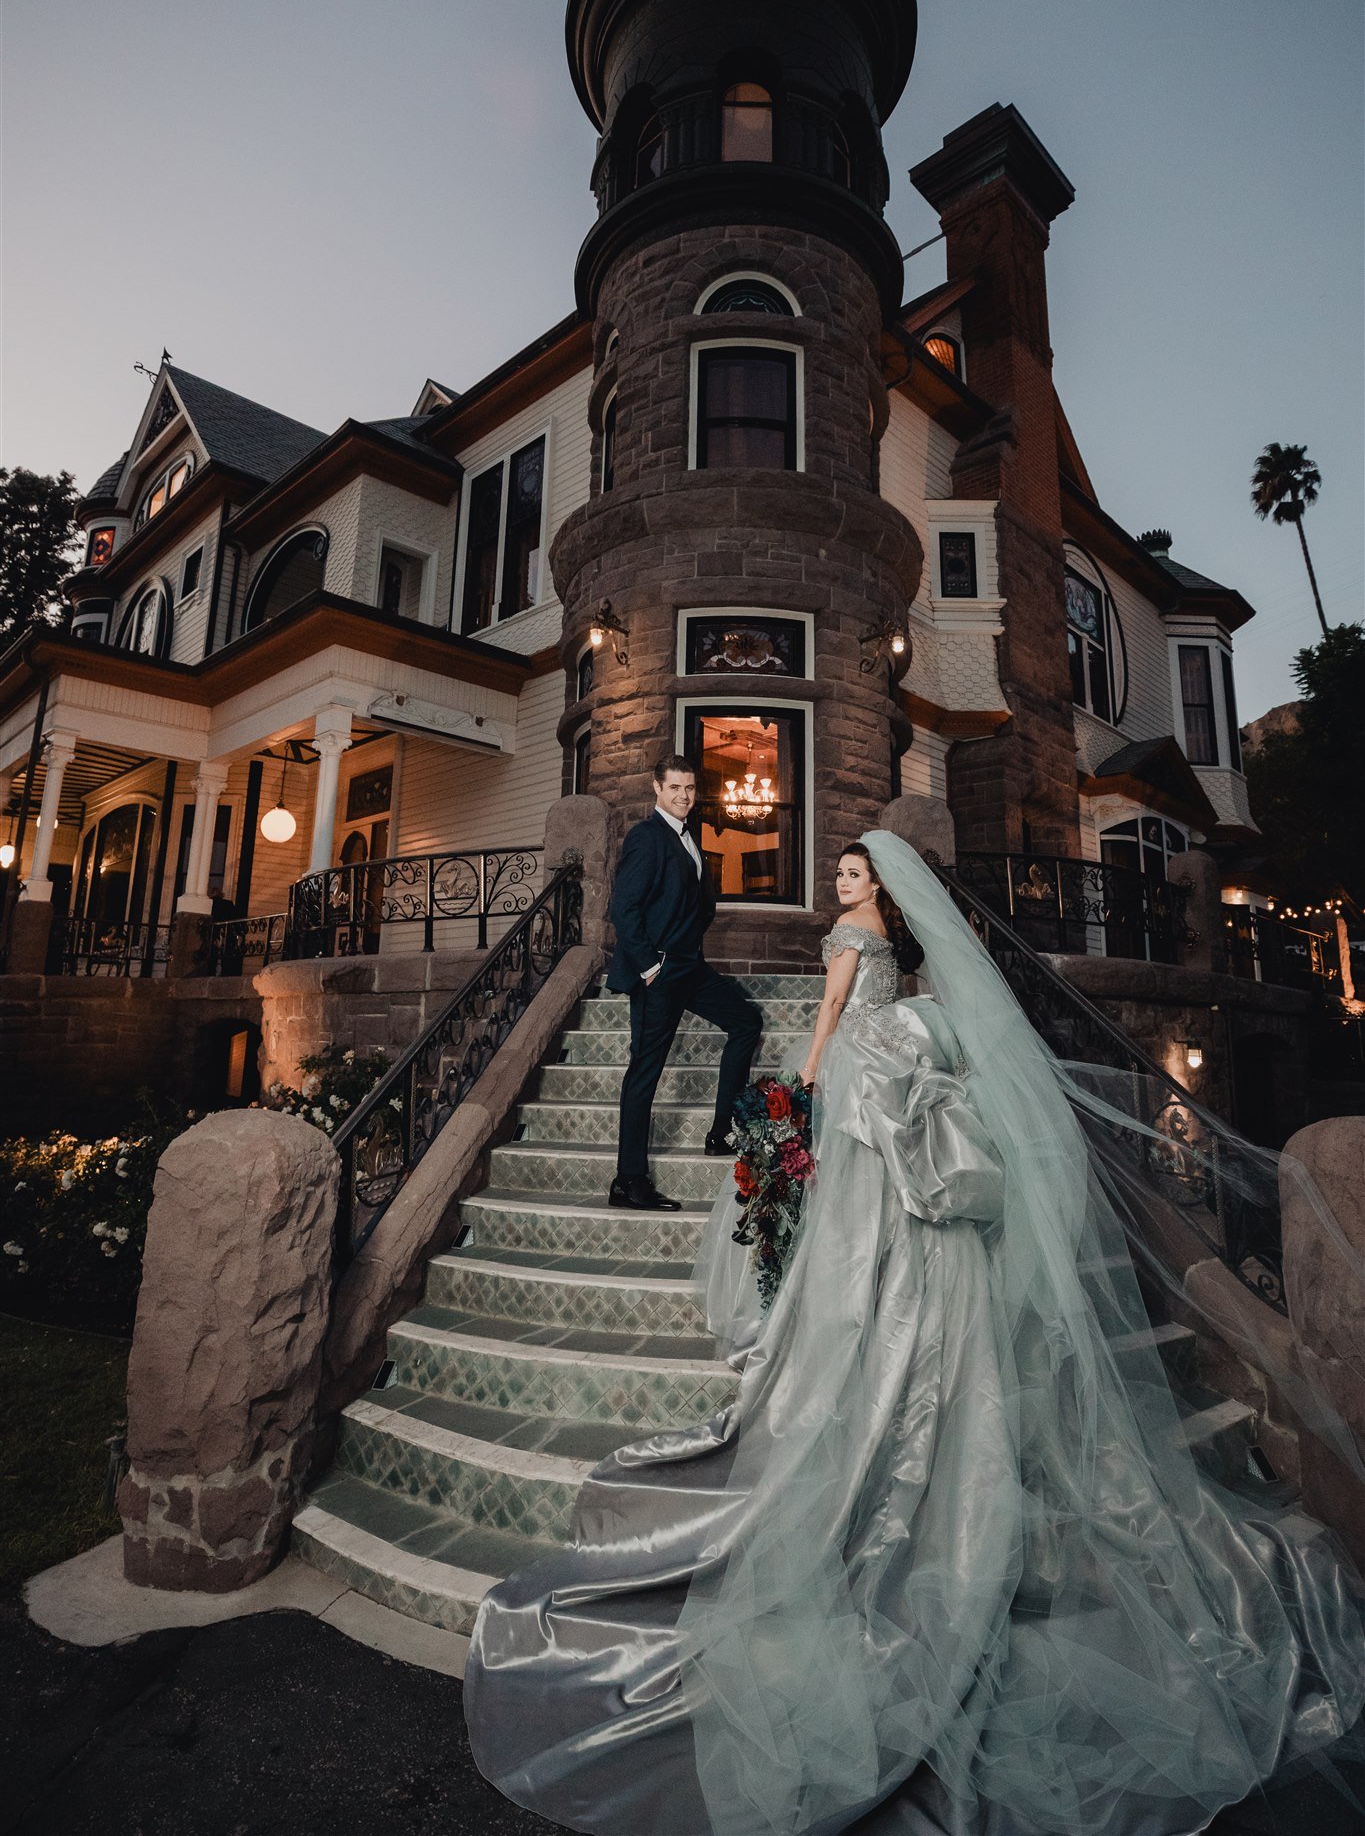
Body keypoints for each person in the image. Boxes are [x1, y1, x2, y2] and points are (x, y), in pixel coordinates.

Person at [464, 830, 1365, 1836]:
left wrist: (798, 1086)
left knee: (852, 1233)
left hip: (859, 1085)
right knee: (891, 1236)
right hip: (896, 1087)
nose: (839, 888)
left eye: (851, 874)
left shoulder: (851, 935)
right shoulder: (905, 950)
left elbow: (835, 1016)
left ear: (879, 890)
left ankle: (858, 1350)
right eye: (840, 873)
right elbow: (903, 1015)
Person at [604, 752, 762, 1213]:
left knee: (745, 1022)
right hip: (659, 973)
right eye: (674, 787)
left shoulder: (689, 834)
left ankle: (721, 1132)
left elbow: (699, 901)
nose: (683, 796)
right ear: (657, 788)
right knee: (644, 1074)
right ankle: (627, 1180)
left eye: (689, 788)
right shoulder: (646, 837)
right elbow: (623, 908)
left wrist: (687, 943)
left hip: (689, 965)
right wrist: (650, 966)